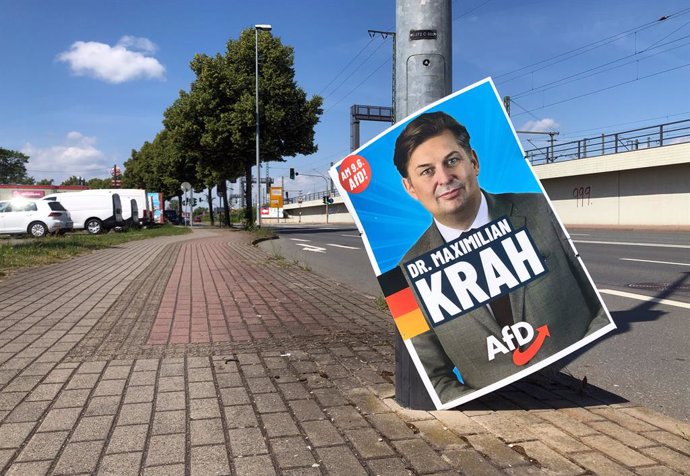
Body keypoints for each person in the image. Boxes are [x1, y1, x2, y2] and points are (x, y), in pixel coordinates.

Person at [394, 111, 610, 404]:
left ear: (474, 161)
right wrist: (491, 408)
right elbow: (432, 378)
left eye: (452, 160)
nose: (444, 179)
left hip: (569, 391)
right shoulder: (401, 279)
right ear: (410, 187)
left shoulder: (539, 209)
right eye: (427, 171)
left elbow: (598, 308)